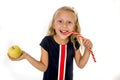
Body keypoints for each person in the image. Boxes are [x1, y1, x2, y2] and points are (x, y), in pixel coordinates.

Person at [8, 6, 93, 80]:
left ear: (75, 27)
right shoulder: (47, 42)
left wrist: (87, 49)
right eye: (60, 21)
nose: (64, 25)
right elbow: (43, 67)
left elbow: (81, 64)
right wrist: (26, 56)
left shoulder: (74, 43)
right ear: (53, 24)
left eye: (69, 22)